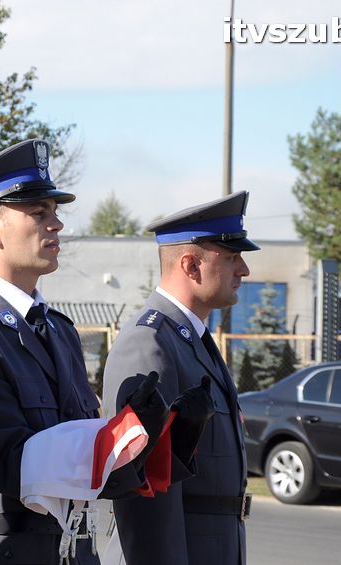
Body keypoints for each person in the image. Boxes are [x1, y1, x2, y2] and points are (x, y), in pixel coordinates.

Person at [0, 139, 211, 565]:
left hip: (75, 551)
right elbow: (11, 463)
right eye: (38, 213)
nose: (57, 224)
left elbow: (96, 475)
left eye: (55, 212)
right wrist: (120, 434)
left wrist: (162, 440)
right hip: (12, 551)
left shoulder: (59, 331)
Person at [101, 190, 260, 565]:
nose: (244, 270)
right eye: (233, 257)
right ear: (190, 265)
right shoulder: (150, 343)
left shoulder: (193, 340)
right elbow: (143, 491)